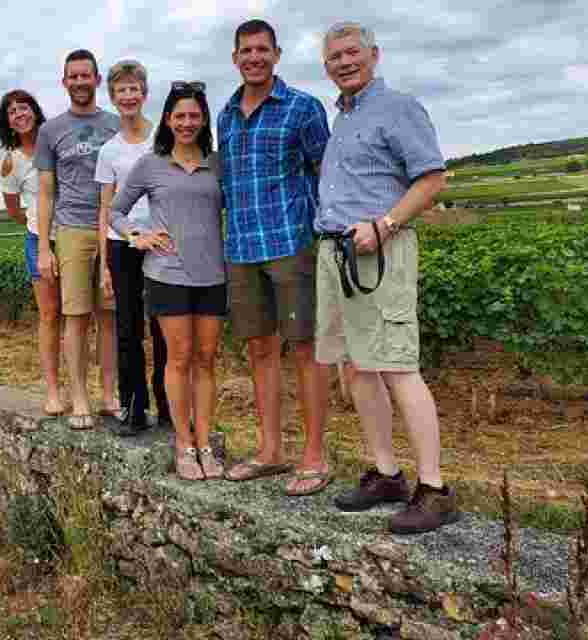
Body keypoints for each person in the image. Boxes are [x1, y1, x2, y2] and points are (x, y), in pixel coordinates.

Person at [315, 21, 456, 534]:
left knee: (398, 366)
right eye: (335, 57)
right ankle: (386, 473)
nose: (344, 62)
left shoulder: (398, 108)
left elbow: (432, 178)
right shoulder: (344, 118)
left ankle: (435, 488)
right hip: (340, 253)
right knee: (357, 366)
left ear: (374, 55)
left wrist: (386, 222)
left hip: (382, 252)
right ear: (326, 66)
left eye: (353, 53)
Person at [215, 19, 332, 496]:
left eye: (262, 49)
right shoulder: (224, 115)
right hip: (241, 248)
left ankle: (315, 456)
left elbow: (326, 173)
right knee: (260, 349)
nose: (254, 57)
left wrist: (326, 233)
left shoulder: (303, 108)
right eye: (246, 50)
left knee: (305, 349)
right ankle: (270, 451)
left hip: (290, 244)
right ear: (236, 57)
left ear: (277, 54)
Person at [108, 82, 226, 480]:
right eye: (180, 116)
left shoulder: (217, 163)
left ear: (204, 119)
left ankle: (205, 442)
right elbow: (116, 211)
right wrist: (136, 237)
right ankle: (182, 443)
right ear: (168, 120)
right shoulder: (151, 163)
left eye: (194, 115)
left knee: (206, 360)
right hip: (167, 274)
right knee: (178, 358)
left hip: (213, 275)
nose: (187, 122)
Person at [35, 49, 122, 430]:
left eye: (86, 75)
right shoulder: (50, 131)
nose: (80, 82)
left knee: (110, 317)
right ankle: (80, 399)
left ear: (97, 80)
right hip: (71, 230)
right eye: (73, 76)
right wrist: (44, 248)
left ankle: (108, 395)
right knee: (75, 317)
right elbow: (45, 192)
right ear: (64, 82)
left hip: (114, 231)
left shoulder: (118, 125)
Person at [94, 59, 172, 436]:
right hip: (122, 244)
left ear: (144, 93)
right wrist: (104, 265)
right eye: (121, 90)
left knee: (163, 329)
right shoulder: (109, 151)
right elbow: (106, 208)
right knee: (127, 329)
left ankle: (169, 407)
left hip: (159, 241)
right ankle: (133, 409)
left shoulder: (163, 138)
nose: (128, 96)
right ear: (112, 97)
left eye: (133, 89)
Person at [0, 89, 64, 417]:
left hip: (72, 237)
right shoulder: (12, 161)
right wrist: (38, 223)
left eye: (23, 108)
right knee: (50, 316)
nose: (19, 114)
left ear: (35, 111)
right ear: (7, 122)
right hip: (39, 241)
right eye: (11, 112)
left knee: (82, 317)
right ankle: (53, 390)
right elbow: (13, 209)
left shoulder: (55, 142)